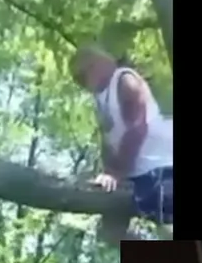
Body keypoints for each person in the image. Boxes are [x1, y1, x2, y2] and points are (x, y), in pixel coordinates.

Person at [71, 44, 173, 226]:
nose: (82, 84)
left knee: (161, 204)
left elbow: (137, 128)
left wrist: (116, 173)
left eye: (82, 76)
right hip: (134, 174)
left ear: (96, 65)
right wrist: (108, 172)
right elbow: (107, 142)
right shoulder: (100, 99)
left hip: (161, 166)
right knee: (111, 229)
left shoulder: (124, 80)